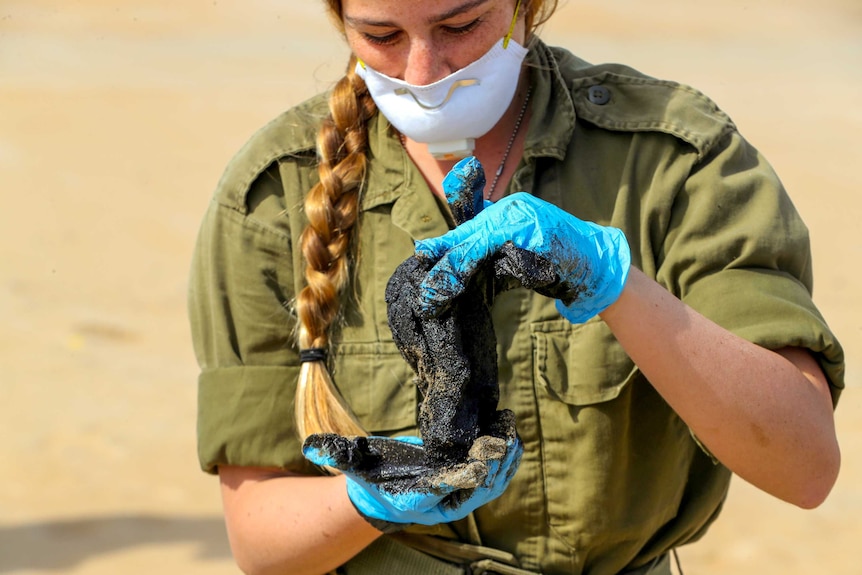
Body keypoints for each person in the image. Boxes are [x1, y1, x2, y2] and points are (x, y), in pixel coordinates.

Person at [187, 1, 844, 573]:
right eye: (381, 36)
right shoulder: (276, 196)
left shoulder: (673, 157)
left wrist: (616, 286)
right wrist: (372, 494)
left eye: (462, 24)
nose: (423, 72)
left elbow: (804, 466)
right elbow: (260, 541)